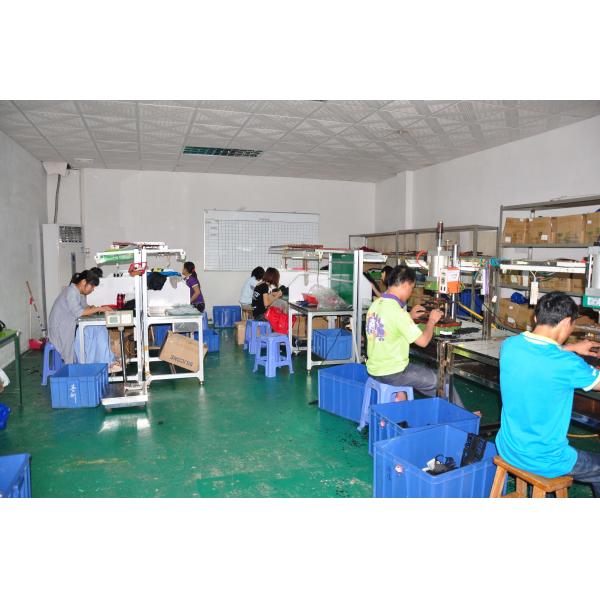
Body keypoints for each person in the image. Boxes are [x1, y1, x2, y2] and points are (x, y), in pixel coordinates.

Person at [496, 291, 600, 497]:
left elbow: (541, 353)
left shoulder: (509, 345)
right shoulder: (567, 364)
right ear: (567, 322)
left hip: (508, 448)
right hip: (544, 459)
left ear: (536, 318)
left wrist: (572, 347)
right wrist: (572, 353)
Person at [365, 265, 444, 398]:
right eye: (412, 288)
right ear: (406, 285)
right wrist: (432, 321)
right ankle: (459, 411)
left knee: (406, 388)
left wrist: (409, 316)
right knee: (441, 381)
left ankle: (398, 402)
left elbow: (389, 323)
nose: (411, 293)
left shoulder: (376, 305)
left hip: (374, 369)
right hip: (393, 372)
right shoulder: (398, 312)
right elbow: (423, 342)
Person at [48, 270, 114, 367]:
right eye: (92, 286)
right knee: (92, 332)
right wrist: (100, 309)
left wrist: (93, 308)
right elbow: (79, 312)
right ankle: (90, 363)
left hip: (69, 326)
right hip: (60, 330)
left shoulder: (79, 293)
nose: (93, 290)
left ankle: (103, 361)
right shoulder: (71, 292)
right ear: (83, 282)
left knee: (99, 328)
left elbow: (84, 307)